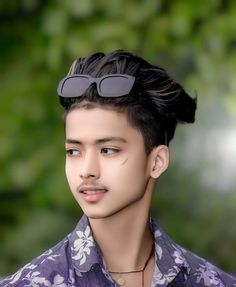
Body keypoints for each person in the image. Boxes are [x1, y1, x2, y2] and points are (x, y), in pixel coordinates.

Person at [0, 50, 235, 287]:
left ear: (157, 162)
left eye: (108, 150)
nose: (86, 170)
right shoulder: (31, 283)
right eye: (74, 151)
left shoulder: (212, 282)